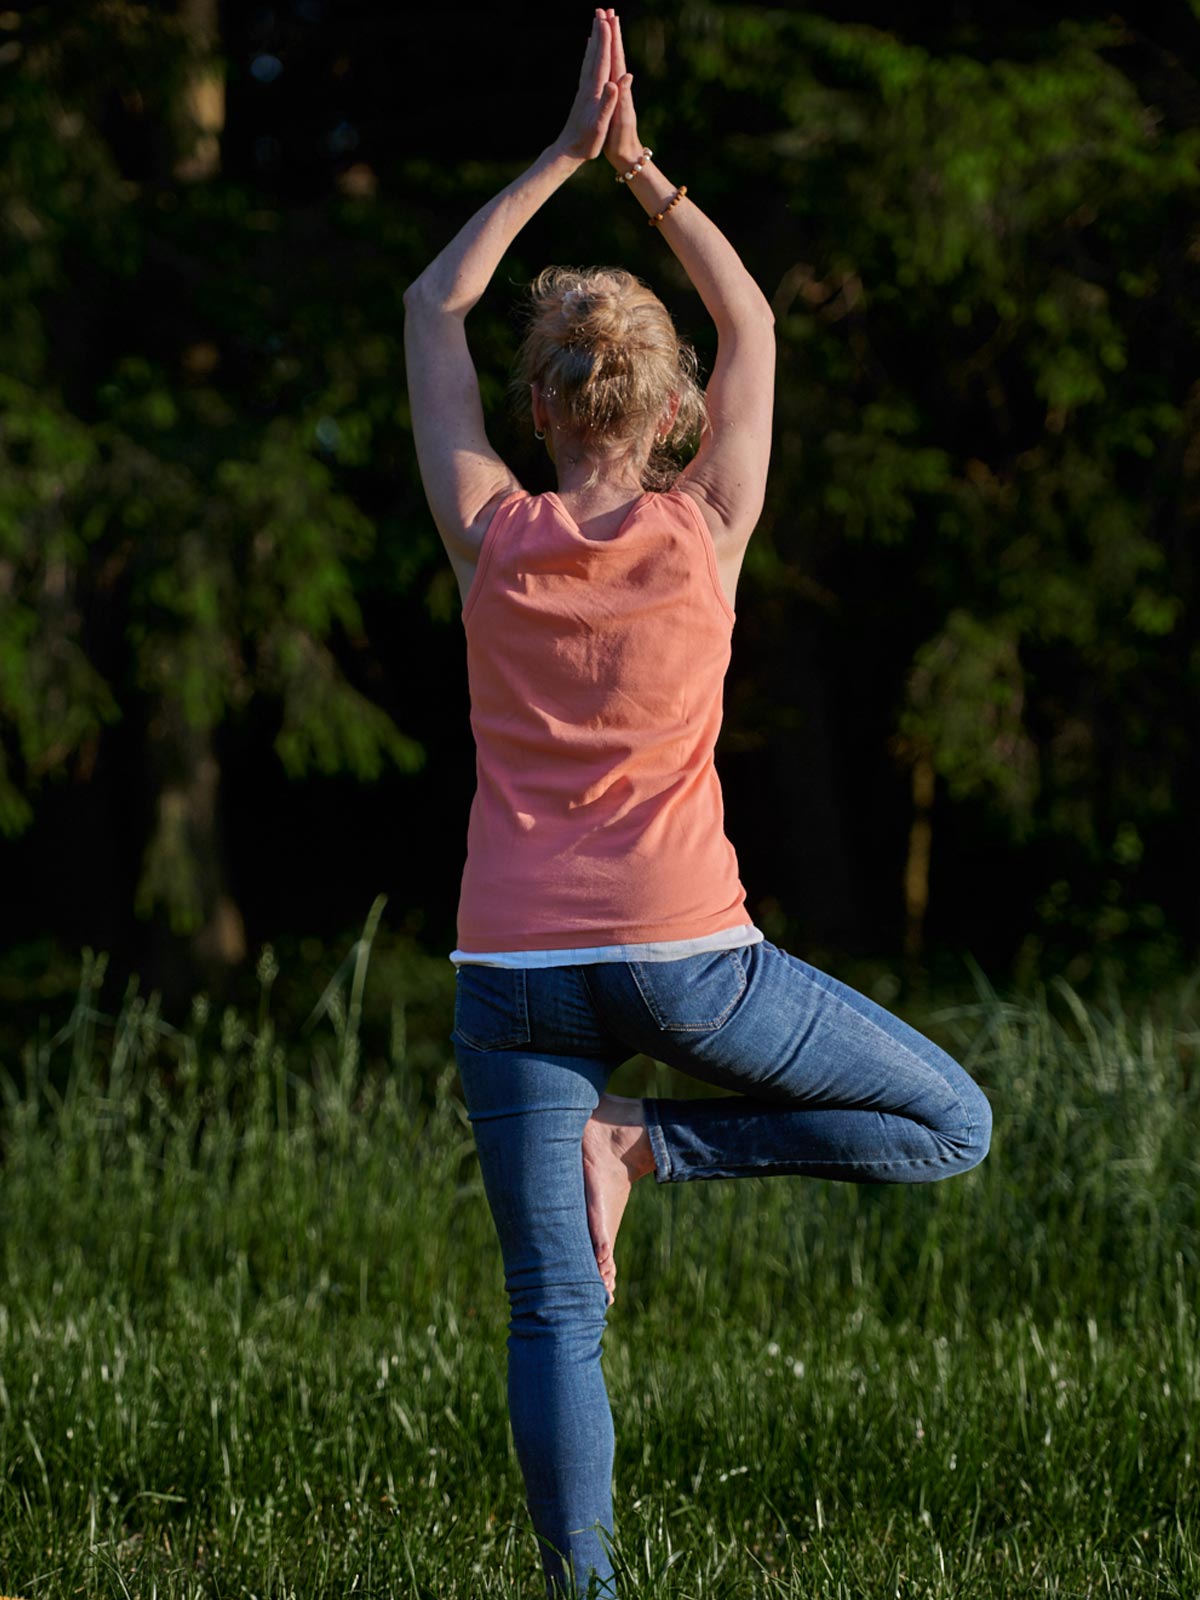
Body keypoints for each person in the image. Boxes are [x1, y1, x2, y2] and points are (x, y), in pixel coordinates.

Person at [403, 11, 992, 1596]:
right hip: (686, 959)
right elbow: (757, 326)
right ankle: (650, 1151)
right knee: (952, 1125)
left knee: (551, 1314)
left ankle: (584, 1591)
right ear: (671, 414)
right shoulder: (708, 526)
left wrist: (556, 156)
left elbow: (431, 303)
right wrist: (641, 165)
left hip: (509, 977)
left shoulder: (488, 535)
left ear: (539, 407)